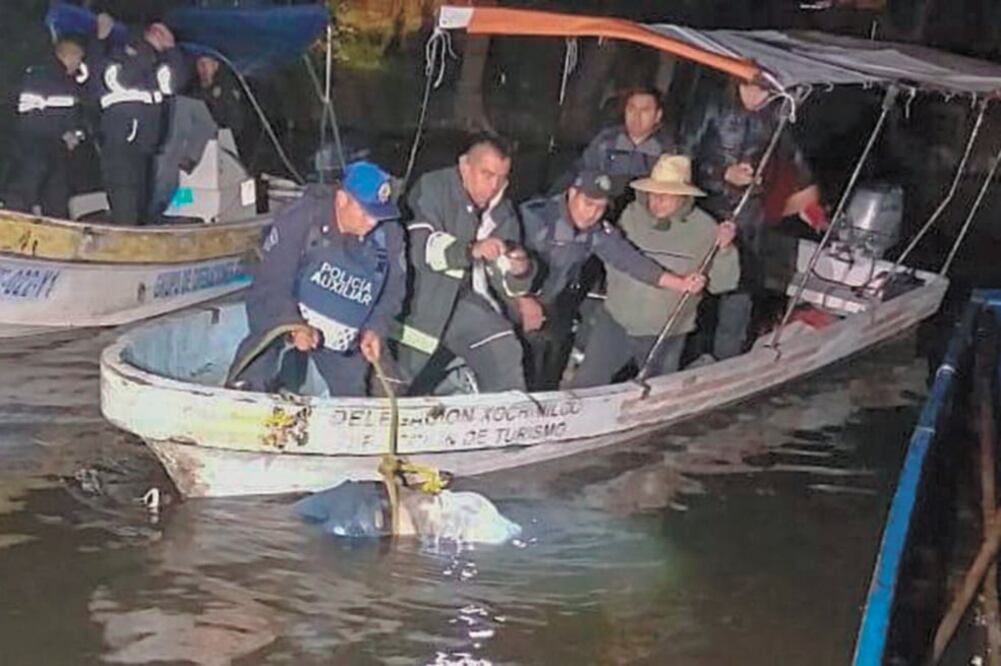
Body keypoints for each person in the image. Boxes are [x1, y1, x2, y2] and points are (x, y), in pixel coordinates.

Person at [519, 169, 712, 389]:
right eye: (588, 204)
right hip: (511, 299)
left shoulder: (597, 231)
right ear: (572, 194)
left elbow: (631, 262)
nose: (592, 214)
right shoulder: (533, 218)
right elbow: (498, 263)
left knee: (546, 369)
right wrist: (522, 299)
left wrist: (681, 283)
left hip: (550, 305)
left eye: (601, 207)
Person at [229, 160, 406, 397]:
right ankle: (245, 389)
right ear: (342, 200)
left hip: (344, 335)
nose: (373, 222)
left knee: (353, 398)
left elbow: (394, 290)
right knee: (263, 344)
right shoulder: (301, 217)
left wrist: (376, 328)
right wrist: (293, 324)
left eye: (378, 215)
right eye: (366, 212)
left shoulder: (389, 233)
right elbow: (272, 283)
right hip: (285, 315)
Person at [569, 155, 739, 388]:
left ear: (684, 196)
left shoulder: (706, 228)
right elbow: (618, 258)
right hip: (615, 322)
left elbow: (724, 283)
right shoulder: (630, 214)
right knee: (585, 383)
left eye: (666, 194)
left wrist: (726, 249)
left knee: (659, 392)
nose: (657, 200)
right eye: (653, 192)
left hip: (665, 332)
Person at [680, 80, 814, 359]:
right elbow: (684, 156)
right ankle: (686, 358)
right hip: (708, 211)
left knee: (740, 294)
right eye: (752, 88)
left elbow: (795, 158)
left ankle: (725, 364)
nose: (758, 97)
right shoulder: (712, 106)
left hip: (751, 217)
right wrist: (721, 173)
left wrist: (806, 198)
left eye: (766, 91)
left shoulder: (778, 113)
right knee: (698, 290)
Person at [396, 134, 536, 394]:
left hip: (466, 305)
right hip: (420, 302)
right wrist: (471, 251)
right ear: (464, 166)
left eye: (501, 177)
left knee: (505, 347)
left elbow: (506, 277)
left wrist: (521, 270)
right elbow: (420, 248)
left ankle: (505, 420)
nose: (494, 186)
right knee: (403, 384)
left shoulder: (502, 211)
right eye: (487, 174)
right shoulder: (432, 188)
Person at [93, 14, 188, 224]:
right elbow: (121, 79)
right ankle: (122, 251)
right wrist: (147, 47)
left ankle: (136, 247)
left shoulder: (155, 65)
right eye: (159, 33)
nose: (162, 37)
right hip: (120, 145)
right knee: (125, 206)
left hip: (144, 147)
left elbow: (175, 82)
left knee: (140, 205)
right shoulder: (121, 56)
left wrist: (172, 49)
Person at [4, 37, 91, 218]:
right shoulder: (38, 76)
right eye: (78, 58)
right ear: (68, 56)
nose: (80, 63)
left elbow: (74, 116)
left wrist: (75, 134)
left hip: (56, 149)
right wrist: (63, 133)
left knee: (56, 197)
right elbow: (29, 116)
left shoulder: (68, 81)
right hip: (33, 147)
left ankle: (56, 236)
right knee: (24, 193)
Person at [574, 87, 676, 194]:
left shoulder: (668, 151)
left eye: (644, 110)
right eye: (632, 109)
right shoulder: (605, 141)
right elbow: (581, 171)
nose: (636, 116)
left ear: (657, 116)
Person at [190, 54, 244, 140]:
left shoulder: (226, 88)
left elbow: (235, 124)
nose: (204, 68)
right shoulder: (193, 90)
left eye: (207, 63)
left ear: (215, 65)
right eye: (200, 64)